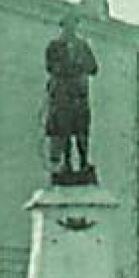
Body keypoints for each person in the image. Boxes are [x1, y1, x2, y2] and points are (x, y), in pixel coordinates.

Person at [45, 12, 97, 178]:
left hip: (79, 95)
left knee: (82, 130)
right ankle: (66, 163)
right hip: (62, 95)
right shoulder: (54, 46)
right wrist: (72, 68)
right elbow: (51, 67)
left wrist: (81, 66)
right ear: (62, 27)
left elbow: (94, 67)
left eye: (73, 25)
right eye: (67, 25)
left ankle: (83, 162)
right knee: (64, 130)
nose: (70, 28)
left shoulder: (83, 46)